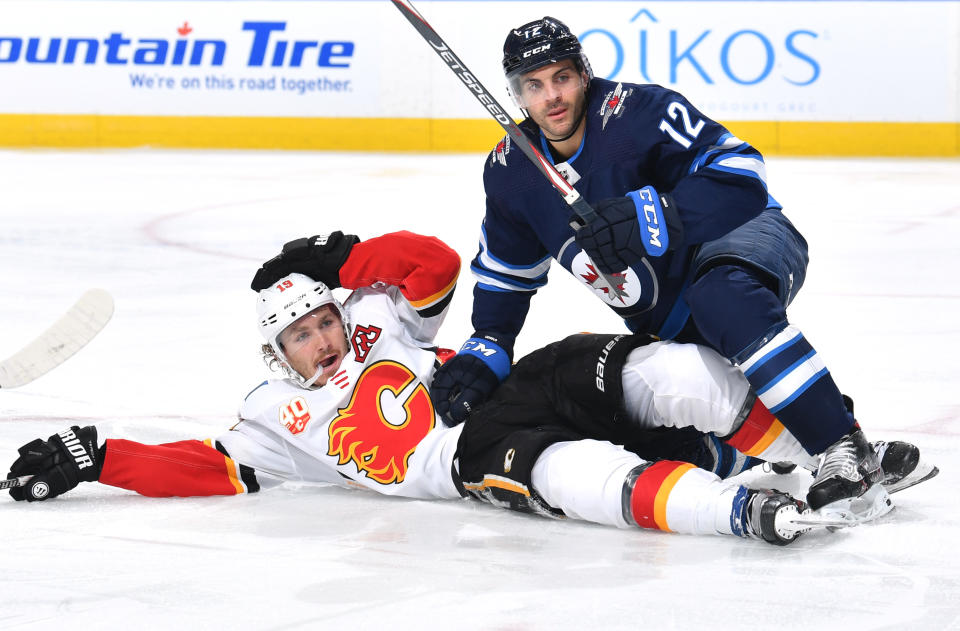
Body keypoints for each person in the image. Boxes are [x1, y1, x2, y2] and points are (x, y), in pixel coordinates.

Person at [6, 230, 879, 545]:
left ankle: (828, 449)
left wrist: (339, 260)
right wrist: (102, 456)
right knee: (579, 476)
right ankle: (741, 512)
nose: (321, 338)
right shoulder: (275, 416)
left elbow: (430, 263)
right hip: (469, 453)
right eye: (301, 335)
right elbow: (204, 466)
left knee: (665, 371)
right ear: (280, 353)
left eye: (323, 318)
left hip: (503, 378)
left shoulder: (385, 321)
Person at [428, 16, 923, 520]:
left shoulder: (636, 113)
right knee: (683, 419)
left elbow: (742, 174)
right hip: (667, 315)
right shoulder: (513, 172)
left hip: (747, 235)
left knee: (722, 297)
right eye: (533, 85)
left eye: (562, 77)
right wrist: (487, 345)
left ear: (584, 73)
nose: (551, 97)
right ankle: (842, 438)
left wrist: (652, 216)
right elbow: (507, 274)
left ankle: (839, 445)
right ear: (517, 95)